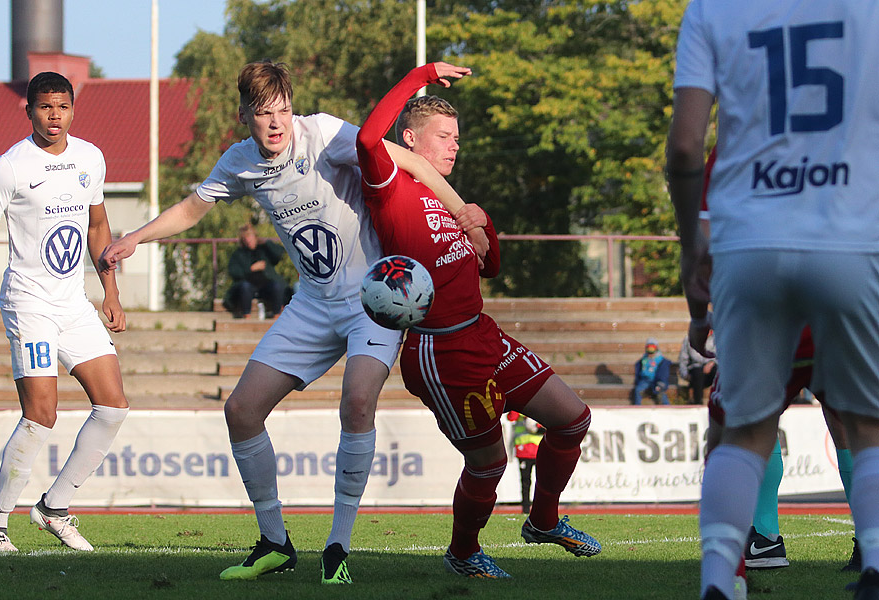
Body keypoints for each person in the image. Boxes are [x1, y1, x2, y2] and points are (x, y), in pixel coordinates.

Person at [98, 60, 477, 585]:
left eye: (282, 111)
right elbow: (191, 208)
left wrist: (465, 212)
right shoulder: (239, 161)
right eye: (263, 115)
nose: (276, 124)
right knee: (241, 411)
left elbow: (408, 161)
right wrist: (136, 237)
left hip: (373, 295)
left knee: (359, 400)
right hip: (313, 304)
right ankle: (275, 541)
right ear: (244, 117)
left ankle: (338, 546)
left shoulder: (321, 133)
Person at [356, 61, 600, 579]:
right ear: (410, 138)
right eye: (443, 136)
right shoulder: (391, 186)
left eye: (457, 138)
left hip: (484, 333)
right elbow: (367, 136)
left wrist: (482, 222)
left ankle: (543, 520)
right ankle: (464, 553)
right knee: (489, 463)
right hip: (439, 349)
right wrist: (420, 75)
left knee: (574, 419)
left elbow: (491, 267)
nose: (454, 145)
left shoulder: (454, 202)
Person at [667, 3, 879, 599]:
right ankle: (876, 563)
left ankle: (720, 582)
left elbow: (685, 149)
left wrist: (691, 257)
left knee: (742, 432)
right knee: (866, 425)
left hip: (751, 245)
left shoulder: (712, 10)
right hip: (848, 239)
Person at [0, 72, 129, 552]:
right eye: (44, 107)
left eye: (62, 106)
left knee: (112, 407)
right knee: (42, 413)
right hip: (28, 302)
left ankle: (54, 508)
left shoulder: (90, 158)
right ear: (28, 111)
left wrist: (111, 291)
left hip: (73, 302)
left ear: (72, 109)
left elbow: (98, 225)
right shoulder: (10, 167)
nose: (54, 115)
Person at [224, 223, 290, 319]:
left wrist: (267, 243)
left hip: (266, 284)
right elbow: (233, 271)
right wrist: (251, 269)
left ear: (255, 237)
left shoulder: (264, 249)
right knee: (245, 287)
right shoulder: (239, 253)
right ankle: (247, 316)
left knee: (277, 286)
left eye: (250, 238)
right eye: (246, 240)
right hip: (248, 285)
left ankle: (277, 315)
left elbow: (279, 253)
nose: (249, 241)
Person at [507, 411, 544, 514]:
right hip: (524, 451)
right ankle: (526, 509)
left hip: (539, 451)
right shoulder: (519, 408)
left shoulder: (540, 407)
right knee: (525, 482)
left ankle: (542, 509)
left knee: (543, 483)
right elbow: (511, 417)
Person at [678, 331, 716, 404]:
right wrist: (684, 374)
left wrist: (712, 363)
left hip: (711, 368)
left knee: (717, 372)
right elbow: (683, 358)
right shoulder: (689, 340)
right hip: (695, 369)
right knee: (698, 373)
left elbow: (720, 356)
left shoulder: (715, 339)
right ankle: (698, 402)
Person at [631, 338, 671, 405]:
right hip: (645, 380)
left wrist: (661, 382)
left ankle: (667, 407)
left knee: (660, 392)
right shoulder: (643, 360)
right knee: (638, 390)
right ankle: (637, 407)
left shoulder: (661, 361)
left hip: (657, 381)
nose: (650, 351)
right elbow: (639, 372)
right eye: (648, 348)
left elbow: (663, 374)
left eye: (652, 348)